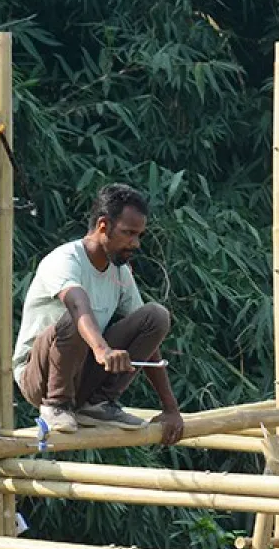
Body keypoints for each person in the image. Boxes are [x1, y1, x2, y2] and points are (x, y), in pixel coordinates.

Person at [13, 184, 184, 442]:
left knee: (155, 316)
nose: (135, 243)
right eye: (128, 233)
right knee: (77, 317)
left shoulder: (119, 271)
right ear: (103, 225)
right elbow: (77, 304)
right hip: (40, 377)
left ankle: (97, 403)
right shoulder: (65, 260)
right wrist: (102, 349)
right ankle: (56, 405)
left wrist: (170, 408)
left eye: (139, 235)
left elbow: (150, 339)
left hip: (83, 375)